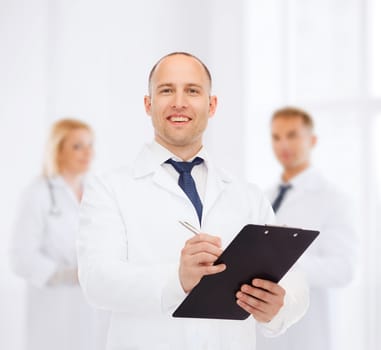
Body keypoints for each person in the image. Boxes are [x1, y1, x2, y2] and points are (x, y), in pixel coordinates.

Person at [77, 52, 309, 350]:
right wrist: (178, 278)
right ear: (148, 105)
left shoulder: (246, 195)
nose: (179, 102)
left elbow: (295, 277)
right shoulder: (109, 189)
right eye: (166, 90)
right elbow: (98, 282)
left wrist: (280, 307)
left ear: (211, 105)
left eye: (192, 90)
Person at [256, 107, 357, 350]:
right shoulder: (263, 197)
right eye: (276, 137)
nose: (283, 145)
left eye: (292, 135)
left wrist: (286, 262)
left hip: (309, 331)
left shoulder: (333, 199)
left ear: (312, 140)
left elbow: (343, 269)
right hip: (263, 326)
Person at [10, 119, 108, 350]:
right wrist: (64, 275)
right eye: (78, 146)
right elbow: (20, 257)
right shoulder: (38, 193)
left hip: (91, 306)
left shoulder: (96, 192)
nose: (88, 153)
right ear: (58, 150)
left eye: (90, 145)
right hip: (53, 306)